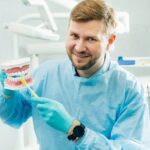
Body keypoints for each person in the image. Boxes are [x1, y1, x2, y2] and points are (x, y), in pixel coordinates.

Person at [0, 0, 150, 149]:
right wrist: (8, 93)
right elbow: (15, 116)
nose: (79, 47)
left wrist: (75, 129)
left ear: (109, 41)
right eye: (74, 36)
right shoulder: (45, 74)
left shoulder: (129, 89)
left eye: (90, 39)